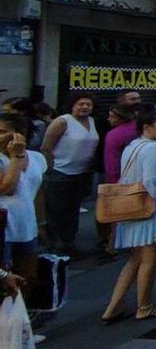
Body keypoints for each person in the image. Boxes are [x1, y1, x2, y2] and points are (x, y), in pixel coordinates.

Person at [100, 111, 156, 324]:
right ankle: (144, 305)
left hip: (132, 207)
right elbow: (150, 181)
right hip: (151, 209)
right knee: (149, 259)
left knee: (135, 259)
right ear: (147, 127)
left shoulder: (132, 146)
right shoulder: (153, 148)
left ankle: (113, 307)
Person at [41, 94, 99, 257]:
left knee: (72, 211)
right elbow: (46, 147)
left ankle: (69, 243)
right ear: (72, 105)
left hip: (81, 173)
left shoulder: (92, 121)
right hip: (61, 173)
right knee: (56, 211)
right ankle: (55, 246)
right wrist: (50, 167)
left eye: (89, 104)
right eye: (81, 104)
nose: (85, 107)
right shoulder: (62, 121)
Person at [0, 114, 45, 298]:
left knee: (27, 278)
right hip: (4, 229)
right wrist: (16, 157)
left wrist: (41, 224)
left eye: (2, 131)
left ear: (20, 134)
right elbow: (6, 188)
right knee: (5, 281)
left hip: (27, 227)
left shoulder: (37, 158)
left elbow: (38, 193)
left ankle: (19, 321)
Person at [103, 105, 139, 185]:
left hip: (120, 179)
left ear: (122, 118)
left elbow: (112, 162)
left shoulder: (114, 135)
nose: (108, 119)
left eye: (112, 117)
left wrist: (112, 182)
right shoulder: (140, 128)